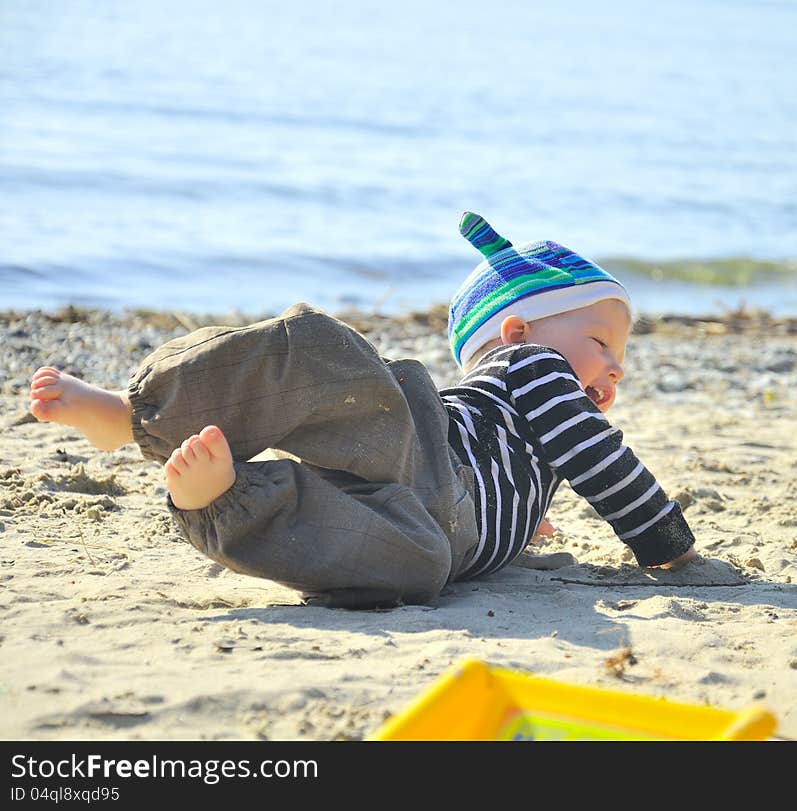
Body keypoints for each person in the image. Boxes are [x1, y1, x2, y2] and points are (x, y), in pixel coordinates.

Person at [28, 212, 697, 608]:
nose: (613, 369)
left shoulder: (536, 443)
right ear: (518, 332)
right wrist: (664, 542)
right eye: (603, 343)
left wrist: (525, 523)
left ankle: (229, 499)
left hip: (443, 536)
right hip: (428, 443)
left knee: (404, 566)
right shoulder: (537, 369)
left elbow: (533, 466)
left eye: (621, 360)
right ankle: (137, 414)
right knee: (321, 352)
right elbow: (602, 460)